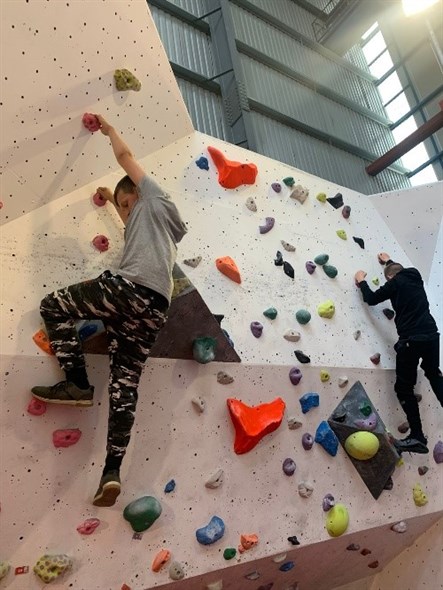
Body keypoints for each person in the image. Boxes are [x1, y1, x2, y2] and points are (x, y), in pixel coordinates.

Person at [31, 114, 188, 505]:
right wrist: (109, 198)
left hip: (130, 290)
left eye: (125, 204)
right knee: (125, 387)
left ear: (138, 193)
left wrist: (110, 130)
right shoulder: (161, 227)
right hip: (153, 310)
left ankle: (78, 383)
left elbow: (127, 157)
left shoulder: (154, 195)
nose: (124, 213)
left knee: (53, 306)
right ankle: (111, 474)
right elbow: (127, 220)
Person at [354, 252, 443, 454]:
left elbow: (371, 298)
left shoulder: (393, 284)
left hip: (411, 340)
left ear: (390, 278)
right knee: (433, 373)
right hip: (432, 335)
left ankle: (418, 437)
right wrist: (388, 261)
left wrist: (361, 281)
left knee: (403, 389)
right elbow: (397, 270)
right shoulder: (415, 274)